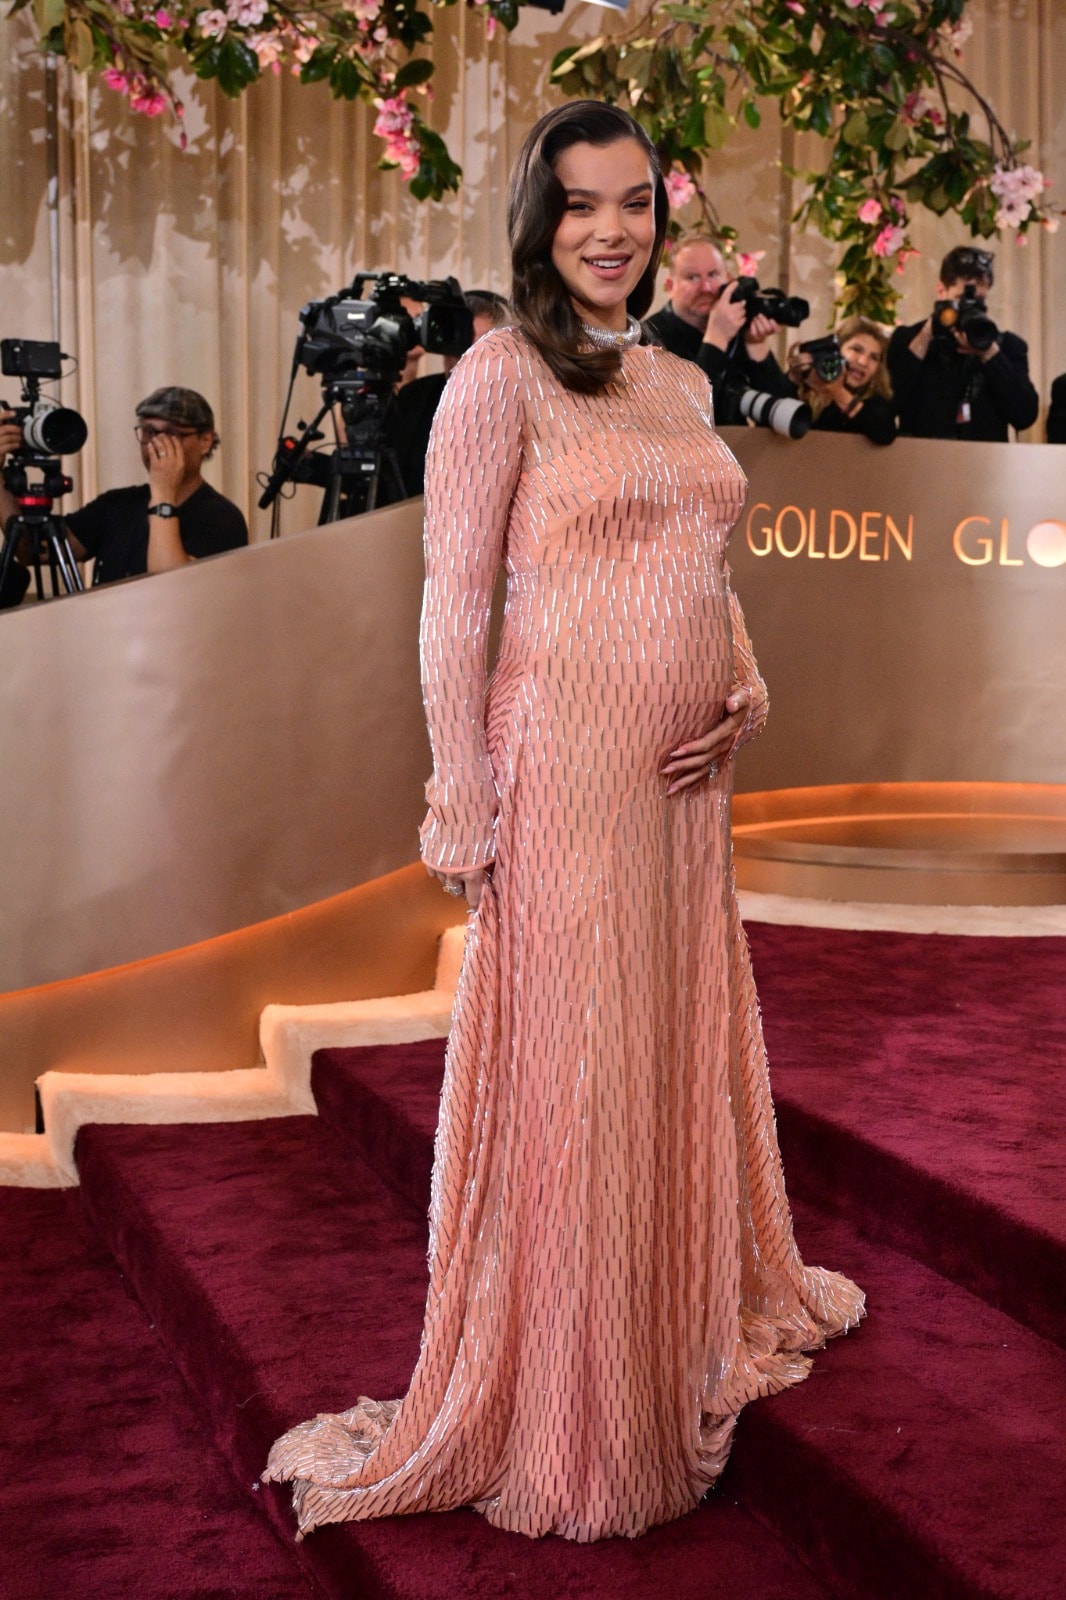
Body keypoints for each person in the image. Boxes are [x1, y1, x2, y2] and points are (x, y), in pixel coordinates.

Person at [264, 100, 864, 1544]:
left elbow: (702, 565)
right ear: (537, 219)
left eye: (636, 204)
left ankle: (670, 1319)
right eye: (581, 204)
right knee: (583, 1072)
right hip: (565, 783)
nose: (611, 230)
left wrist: (745, 684)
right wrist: (460, 794)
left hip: (681, 793)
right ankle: (586, 1410)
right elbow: (452, 604)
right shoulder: (496, 377)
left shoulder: (676, 381)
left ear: (663, 219)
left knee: (662, 1047)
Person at [0, 385, 247, 591]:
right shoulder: (117, 504)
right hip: (108, 640)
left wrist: (163, 494)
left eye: (171, 434)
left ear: (205, 441)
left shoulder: (222, 518)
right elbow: (31, 551)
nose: (156, 444)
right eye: (149, 431)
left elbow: (172, 589)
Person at [887, 246, 1039, 441]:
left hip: (984, 465)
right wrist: (927, 336)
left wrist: (989, 353)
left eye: (979, 301)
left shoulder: (1008, 347)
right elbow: (890, 404)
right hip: (923, 462)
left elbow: (1025, 416)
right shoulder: (907, 339)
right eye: (961, 300)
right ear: (941, 291)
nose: (971, 309)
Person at [645, 233, 791, 421]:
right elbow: (684, 417)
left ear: (728, 279)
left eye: (713, 275)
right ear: (670, 286)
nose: (706, 287)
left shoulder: (738, 327)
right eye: (692, 277)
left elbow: (786, 413)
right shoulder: (649, 337)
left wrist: (756, 345)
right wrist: (718, 337)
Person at [388, 290, 511, 498]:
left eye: (479, 349)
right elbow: (386, 485)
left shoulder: (526, 407)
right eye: (459, 344)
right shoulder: (416, 397)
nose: (465, 359)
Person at [786, 316, 897, 445]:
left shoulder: (876, 399)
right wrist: (793, 378)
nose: (863, 362)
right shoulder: (807, 384)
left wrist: (838, 392)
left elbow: (886, 434)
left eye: (874, 358)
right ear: (836, 350)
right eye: (856, 349)